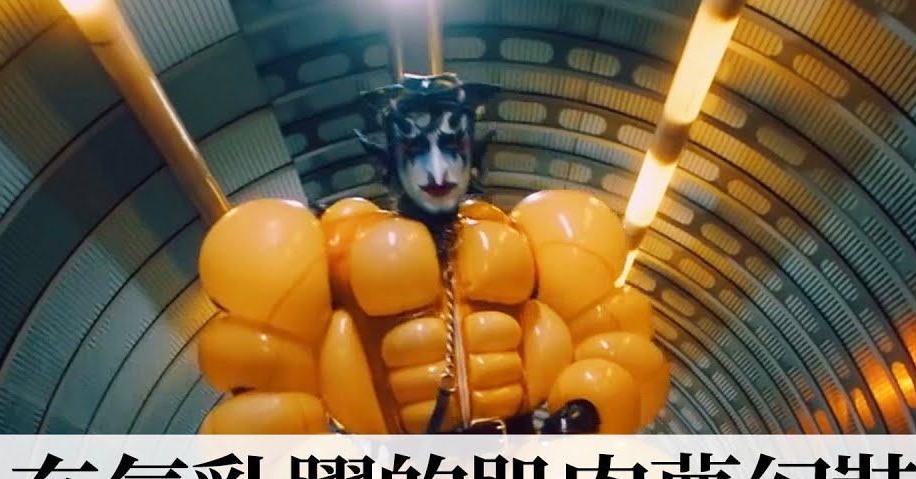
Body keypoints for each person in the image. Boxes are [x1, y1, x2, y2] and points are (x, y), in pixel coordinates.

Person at [196, 72, 668, 435]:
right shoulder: (336, 250)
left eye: (452, 145)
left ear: (474, 152)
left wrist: (583, 411)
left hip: (514, 466)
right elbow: (273, 373)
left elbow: (610, 346)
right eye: (416, 148)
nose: (438, 170)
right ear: (388, 157)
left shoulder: (525, 240)